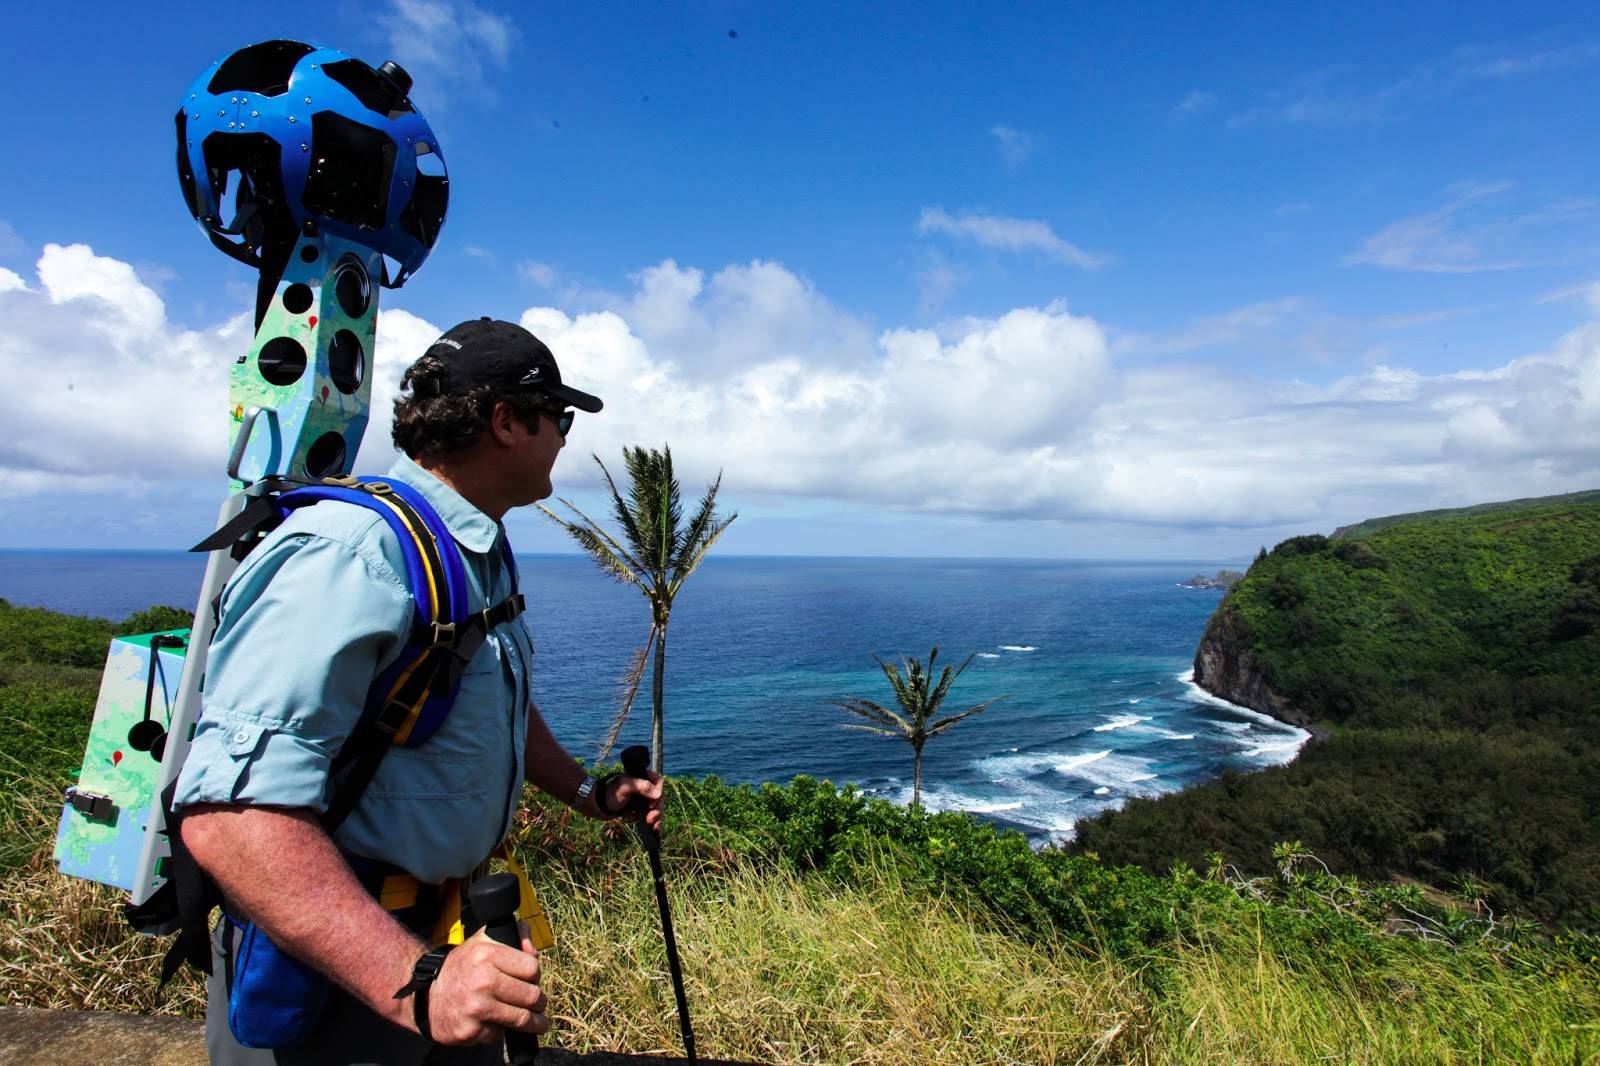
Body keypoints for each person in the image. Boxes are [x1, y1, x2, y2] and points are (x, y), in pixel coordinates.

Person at [173, 317, 664, 1064]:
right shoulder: (349, 553)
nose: (565, 437)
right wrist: (416, 981)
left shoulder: (474, 549)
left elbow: (488, 695)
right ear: (505, 421)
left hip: (442, 943)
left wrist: (590, 793)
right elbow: (233, 817)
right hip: (337, 970)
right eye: (557, 418)